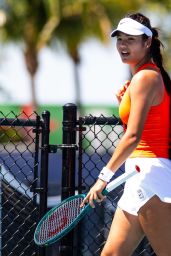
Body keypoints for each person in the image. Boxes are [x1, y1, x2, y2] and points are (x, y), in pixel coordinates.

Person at [80, 12, 171, 256]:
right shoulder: (146, 78)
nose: (122, 45)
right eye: (120, 39)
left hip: (151, 177)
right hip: (139, 174)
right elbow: (145, 130)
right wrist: (127, 104)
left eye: (131, 39)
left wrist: (103, 177)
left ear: (147, 42)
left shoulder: (145, 78)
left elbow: (134, 137)